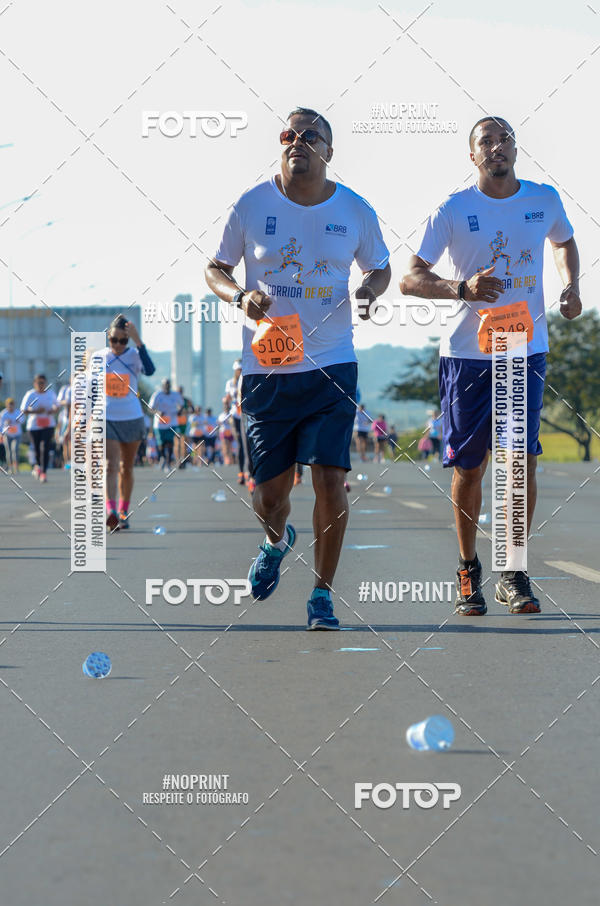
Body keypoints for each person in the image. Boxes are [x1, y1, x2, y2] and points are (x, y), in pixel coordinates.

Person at [206, 106, 390, 630]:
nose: (299, 142)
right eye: (290, 134)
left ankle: (322, 595)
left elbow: (380, 268)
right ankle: (275, 539)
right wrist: (240, 295)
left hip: (332, 366)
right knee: (270, 497)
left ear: (329, 151)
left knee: (331, 481)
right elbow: (215, 267)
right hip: (267, 369)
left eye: (312, 136)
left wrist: (368, 292)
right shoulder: (252, 204)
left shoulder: (354, 209)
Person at [401, 115, 581, 615]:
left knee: (520, 463)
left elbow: (564, 241)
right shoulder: (454, 210)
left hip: (524, 349)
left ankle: (513, 571)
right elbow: (410, 278)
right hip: (467, 357)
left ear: (516, 149)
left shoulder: (543, 199)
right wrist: (461, 289)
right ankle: (467, 569)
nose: (497, 147)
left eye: (505, 139)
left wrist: (570, 286)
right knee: (470, 469)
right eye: (487, 141)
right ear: (473, 155)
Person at [101, 315, 155, 530]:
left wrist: (139, 342)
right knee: (111, 465)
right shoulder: (100, 357)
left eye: (123, 341)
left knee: (127, 467)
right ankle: (111, 510)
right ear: (108, 337)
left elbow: (150, 370)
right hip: (107, 417)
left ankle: (124, 510)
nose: (118, 345)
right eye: (114, 340)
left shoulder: (134, 355)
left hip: (132, 417)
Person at [20, 374, 58, 482]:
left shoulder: (50, 394)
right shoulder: (30, 394)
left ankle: (43, 472)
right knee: (37, 448)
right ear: (34, 383)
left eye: (43, 383)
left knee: (45, 447)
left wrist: (53, 410)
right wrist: (36, 411)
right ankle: (38, 465)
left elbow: (57, 405)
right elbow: (23, 409)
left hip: (48, 424)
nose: (41, 385)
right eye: (39, 383)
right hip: (34, 426)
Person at [148, 379, 183, 472]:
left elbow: (181, 405)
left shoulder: (175, 395)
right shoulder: (157, 395)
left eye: (168, 385)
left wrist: (179, 410)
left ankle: (168, 461)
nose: (167, 387)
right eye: (165, 385)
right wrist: (158, 412)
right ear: (162, 386)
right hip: (160, 424)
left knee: (170, 442)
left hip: (172, 422)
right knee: (162, 444)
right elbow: (150, 408)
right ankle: (163, 458)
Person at [225, 360, 247, 484]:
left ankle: (250, 472)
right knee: (240, 443)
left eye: (242, 369)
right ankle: (241, 473)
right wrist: (226, 402)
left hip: (247, 415)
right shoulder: (230, 383)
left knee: (248, 444)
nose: (240, 372)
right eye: (238, 370)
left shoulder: (248, 380)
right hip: (236, 416)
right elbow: (227, 398)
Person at [0, 397, 23, 474]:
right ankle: (10, 467)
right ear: (6, 405)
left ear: (14, 405)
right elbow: (1, 425)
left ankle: (16, 467)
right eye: (9, 405)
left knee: (15, 450)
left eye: (12, 404)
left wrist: (18, 420)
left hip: (17, 434)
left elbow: (23, 420)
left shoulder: (17, 412)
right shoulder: (3, 413)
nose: (11, 406)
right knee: (8, 451)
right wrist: (6, 423)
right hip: (7, 434)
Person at [175, 385, 193, 468]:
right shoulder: (173, 400)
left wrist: (187, 411)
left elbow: (192, 409)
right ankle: (178, 459)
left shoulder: (186, 400)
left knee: (184, 443)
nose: (179, 393)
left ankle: (183, 459)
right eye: (178, 392)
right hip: (175, 423)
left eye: (181, 391)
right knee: (177, 443)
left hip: (184, 424)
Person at [56, 377, 72, 469]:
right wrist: (67, 401)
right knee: (67, 442)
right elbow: (58, 402)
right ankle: (68, 463)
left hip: (83, 419)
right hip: (66, 418)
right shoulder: (66, 389)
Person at [217, 395, 235, 465]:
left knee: (230, 447)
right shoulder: (221, 415)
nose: (226, 408)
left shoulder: (231, 414)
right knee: (225, 447)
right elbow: (219, 424)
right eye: (225, 407)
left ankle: (230, 460)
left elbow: (233, 423)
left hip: (230, 432)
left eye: (227, 407)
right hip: (223, 433)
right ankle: (226, 460)